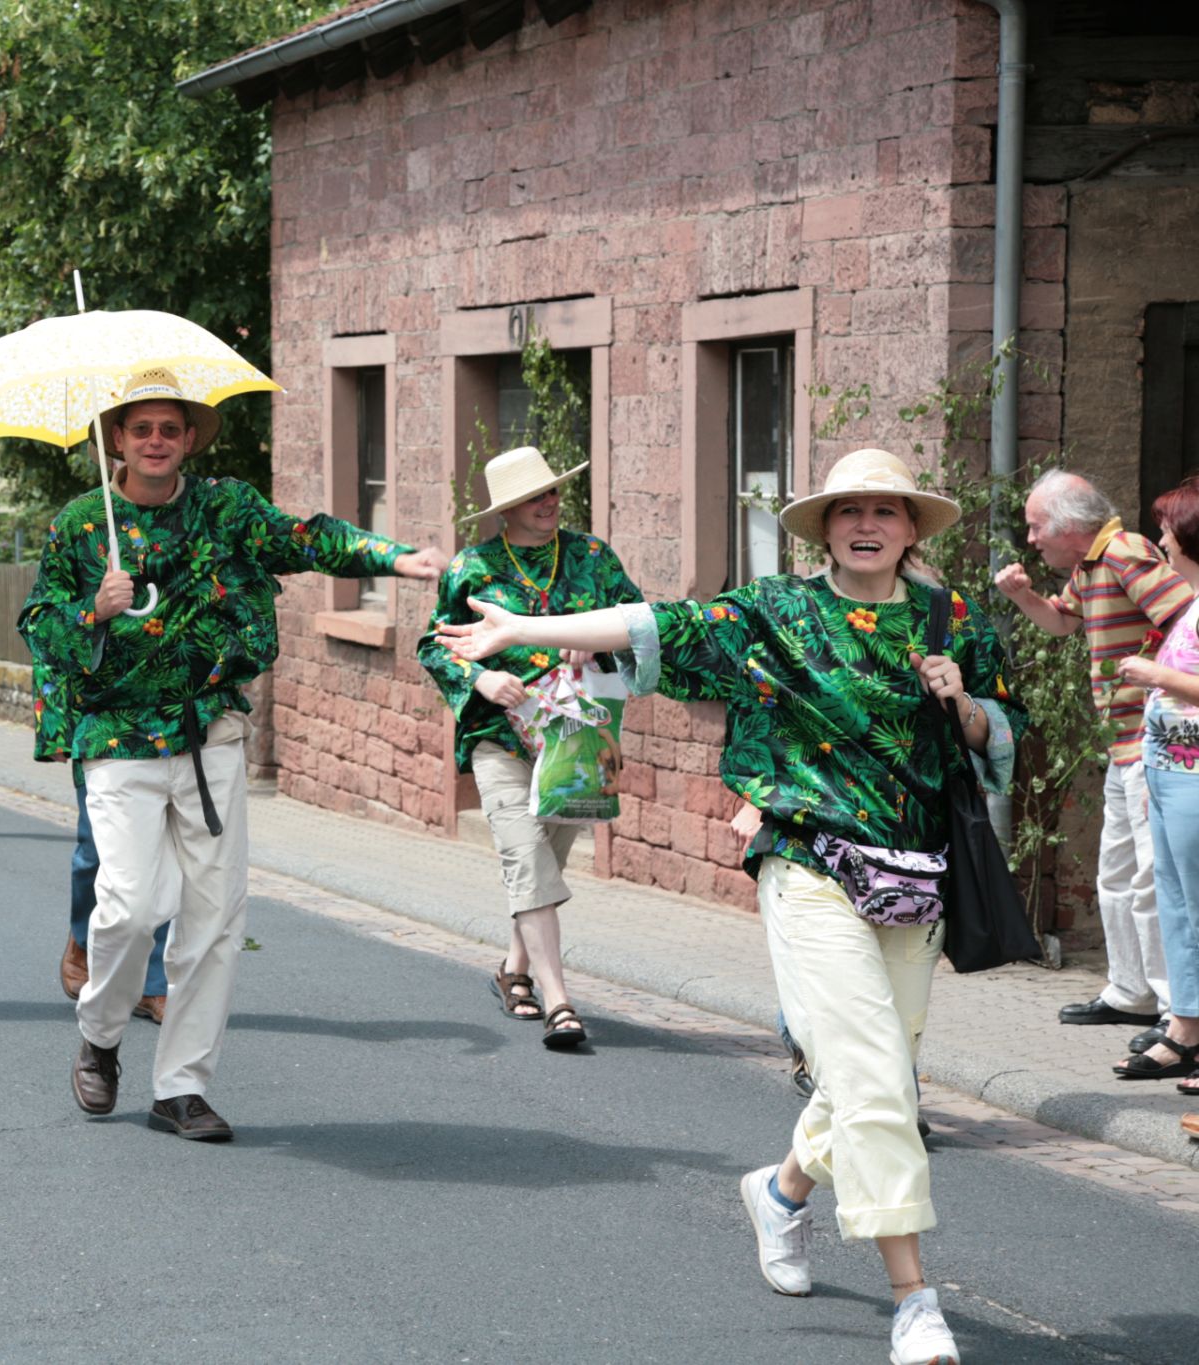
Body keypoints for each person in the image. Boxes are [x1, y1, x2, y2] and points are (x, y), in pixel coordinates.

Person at [439, 448, 1020, 1365]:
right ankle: (914, 1298)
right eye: (846, 511)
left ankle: (782, 1192)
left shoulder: (953, 619)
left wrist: (969, 707)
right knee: (874, 1078)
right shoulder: (775, 613)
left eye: (886, 511)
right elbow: (653, 622)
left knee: (877, 1073)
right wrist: (522, 632)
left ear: (912, 527)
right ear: (823, 527)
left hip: (915, 874)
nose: (866, 524)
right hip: (806, 859)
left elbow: (997, 727)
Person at [20, 369, 444, 1142]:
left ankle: (180, 1087)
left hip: (209, 732)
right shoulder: (82, 525)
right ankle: (101, 1034)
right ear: (116, 438)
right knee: (130, 903)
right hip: (118, 740)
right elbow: (39, 624)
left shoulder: (225, 508)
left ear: (187, 440)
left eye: (169, 429)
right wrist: (94, 608)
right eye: (141, 428)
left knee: (214, 920)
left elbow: (304, 537)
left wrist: (393, 557)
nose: (155, 441)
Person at [418, 446, 644, 1048]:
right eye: (532, 497)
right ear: (505, 509)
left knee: (546, 860)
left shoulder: (593, 557)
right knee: (524, 855)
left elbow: (640, 623)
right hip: (500, 736)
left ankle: (514, 969)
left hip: (576, 734)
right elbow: (434, 645)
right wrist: (480, 679)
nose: (547, 504)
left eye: (551, 492)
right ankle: (560, 1001)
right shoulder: (472, 568)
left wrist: (595, 645)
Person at [994, 470, 1197, 1044]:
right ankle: (1129, 991)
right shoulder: (1092, 564)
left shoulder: (1126, 551)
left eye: (1037, 527)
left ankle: (1172, 1009)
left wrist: (1153, 674)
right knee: (1117, 871)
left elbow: (1186, 614)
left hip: (1153, 741)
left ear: (1070, 527)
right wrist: (1024, 596)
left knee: (1152, 878)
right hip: (1124, 743)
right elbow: (1061, 623)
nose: (1031, 538)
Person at [1107, 476, 1199, 1091]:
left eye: (1167, 527)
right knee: (1176, 905)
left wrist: (1153, 672)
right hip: (1169, 776)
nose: (1160, 538)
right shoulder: (1191, 602)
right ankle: (1187, 1030)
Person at [38, 661, 172, 1024]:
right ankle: (82, 937)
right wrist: (53, 725)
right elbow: (50, 622)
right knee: (95, 852)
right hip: (99, 726)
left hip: (169, 723)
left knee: (162, 859)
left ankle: (153, 983)